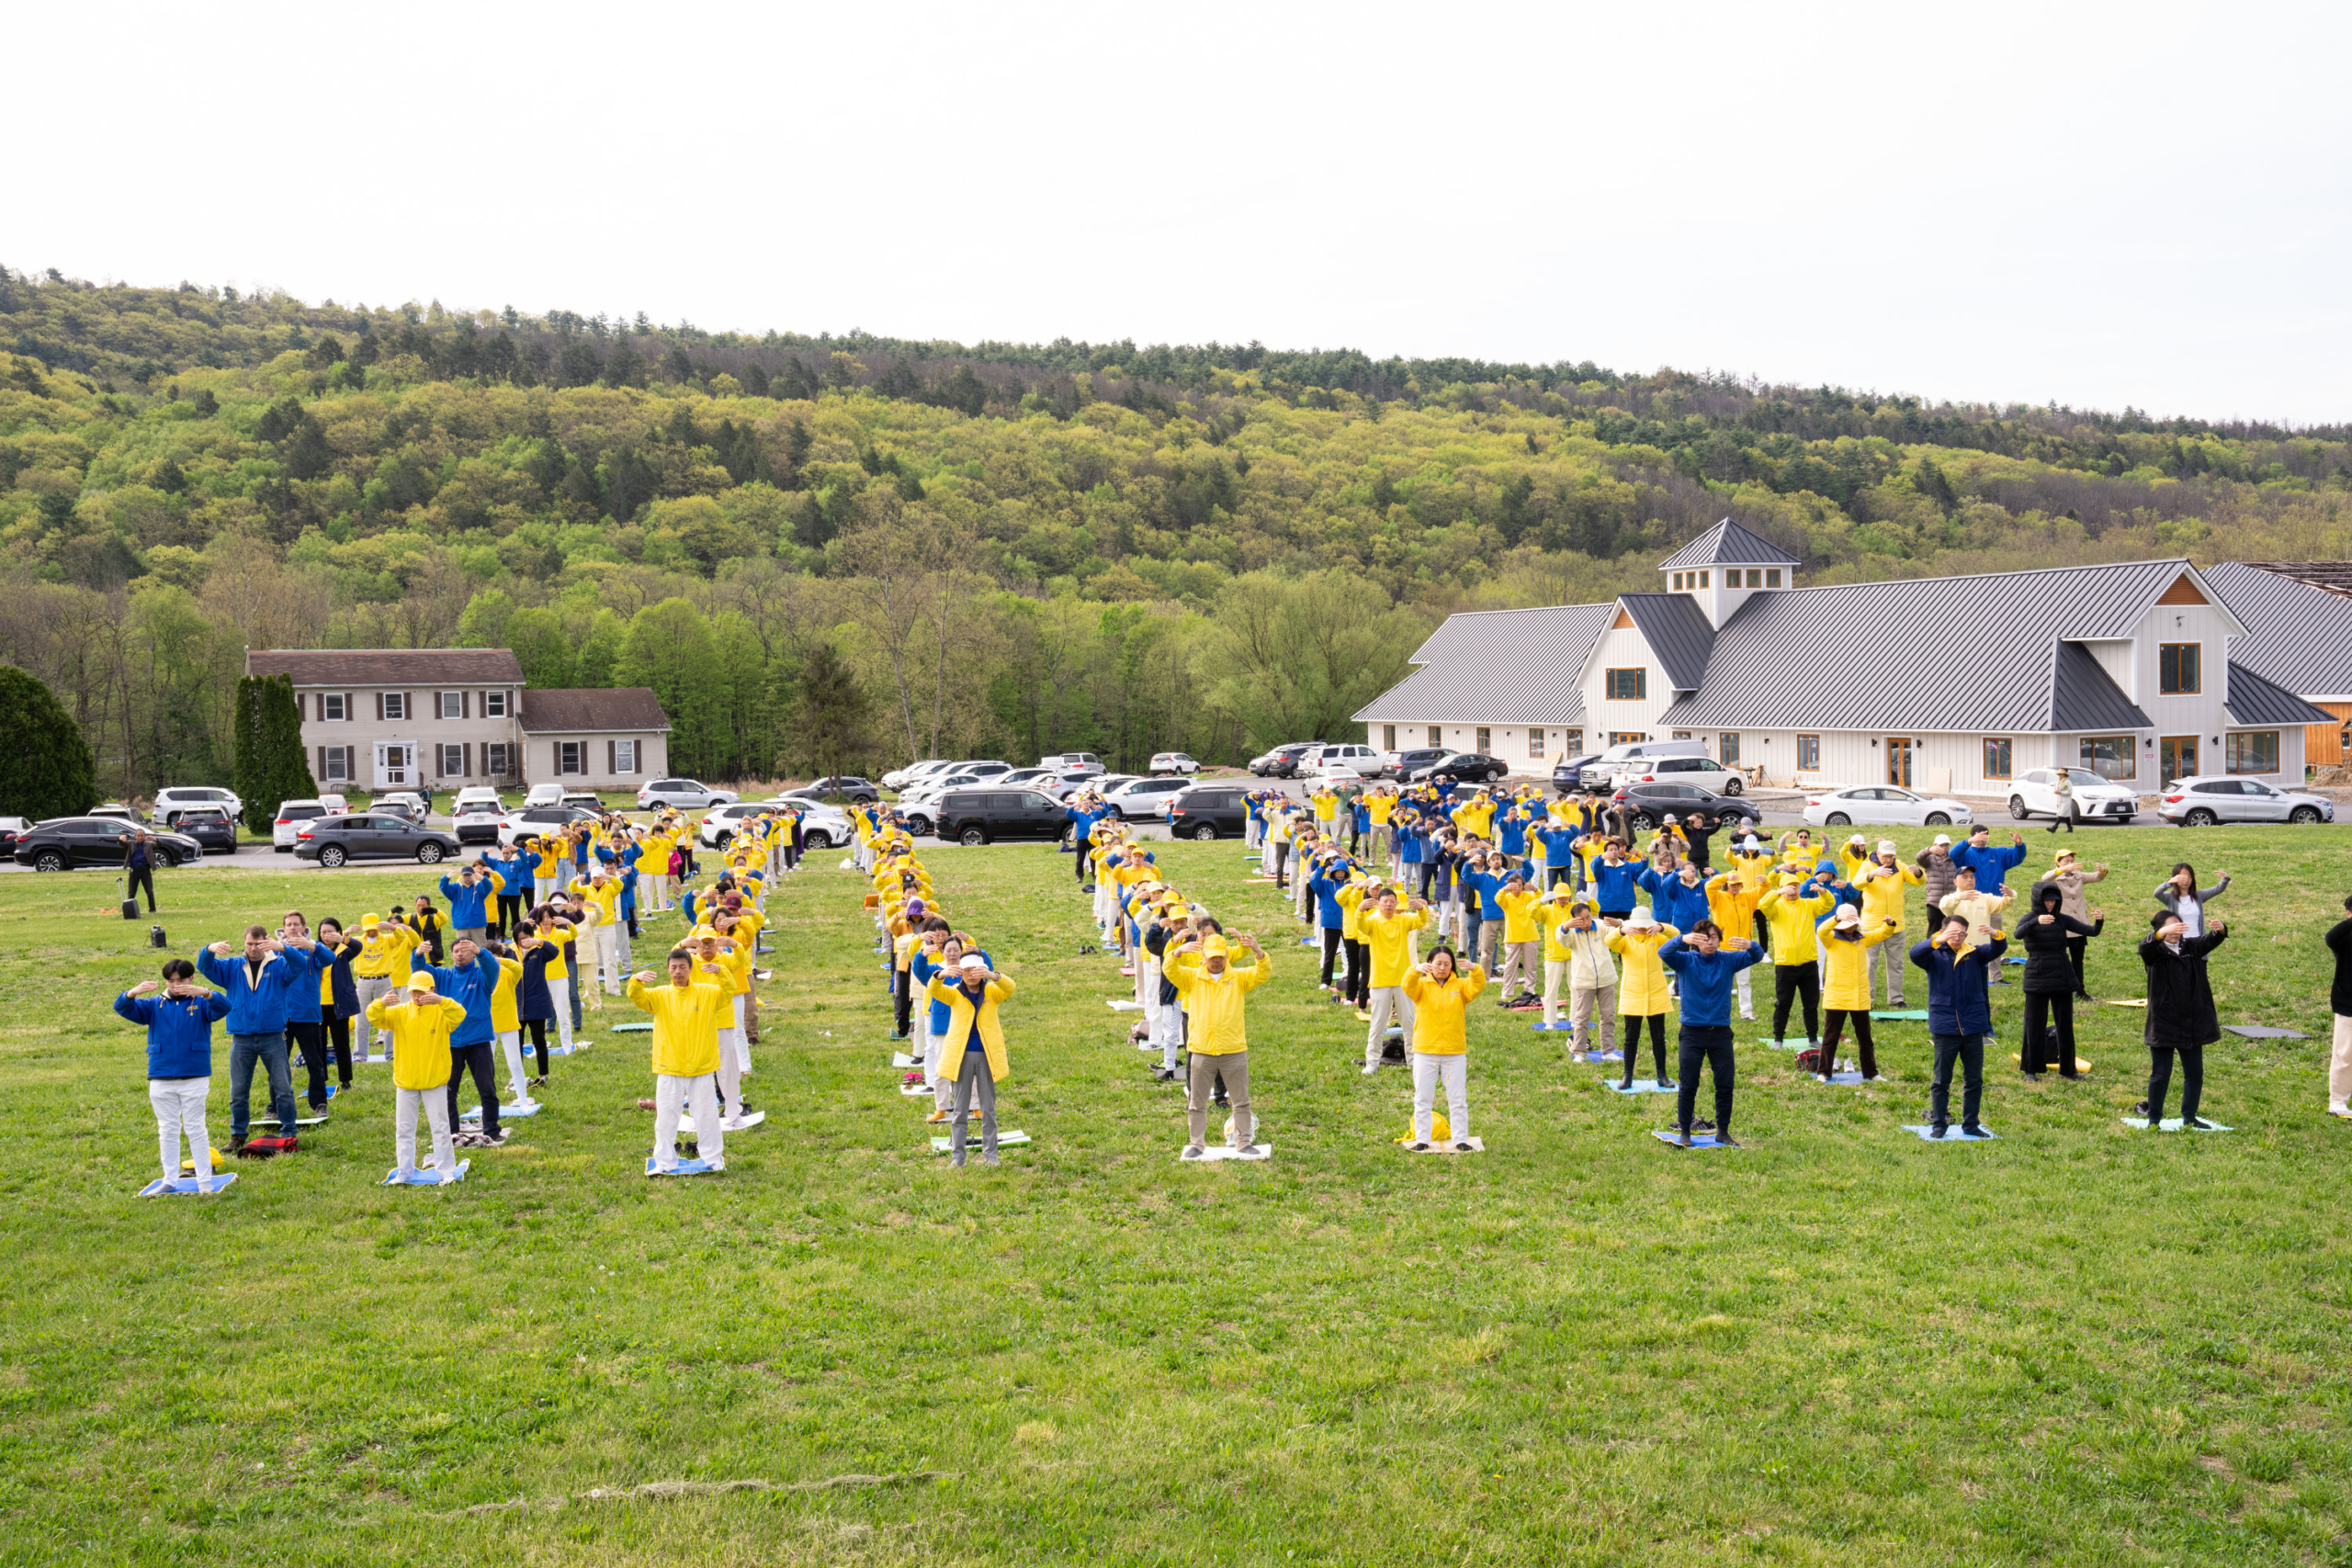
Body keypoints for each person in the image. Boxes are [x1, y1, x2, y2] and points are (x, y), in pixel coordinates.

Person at [195, 925, 328, 1154]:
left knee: (283, 1088)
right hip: (241, 1038)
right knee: (238, 1092)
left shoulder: (278, 965)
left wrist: (283, 948)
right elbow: (204, 967)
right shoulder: (232, 966)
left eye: (258, 944)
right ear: (244, 943)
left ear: (266, 942)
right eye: (249, 944)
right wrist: (208, 949)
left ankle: (289, 1134)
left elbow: (299, 964)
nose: (254, 948)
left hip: (273, 1036)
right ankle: (237, 1135)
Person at [116, 960, 231, 1187]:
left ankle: (204, 1180)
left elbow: (224, 1007)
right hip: (160, 1075)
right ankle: (169, 1180)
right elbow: (124, 1008)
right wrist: (131, 993)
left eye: (181, 980)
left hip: (194, 1075)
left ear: (192, 979)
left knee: (195, 1128)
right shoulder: (153, 1005)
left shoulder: (201, 1003)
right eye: (170, 981)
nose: (176, 985)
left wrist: (206, 993)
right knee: (167, 1129)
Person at [1657, 919, 1766, 1146]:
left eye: (1714, 937)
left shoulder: (1727, 959)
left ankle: (1722, 1132)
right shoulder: (1685, 960)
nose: (1710, 942)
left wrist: (1750, 945)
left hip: (1721, 1032)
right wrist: (1682, 939)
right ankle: (1685, 1132)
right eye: (1704, 938)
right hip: (1691, 1032)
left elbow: (1756, 956)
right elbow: (1663, 952)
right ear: (1696, 941)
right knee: (1688, 1084)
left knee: (1725, 1084)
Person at [1165, 929, 1271, 1158]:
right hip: (1201, 1050)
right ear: (1203, 956)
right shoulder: (1192, 977)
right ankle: (1196, 1144)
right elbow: (1169, 970)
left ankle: (1243, 1142)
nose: (1215, 961)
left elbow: (1262, 974)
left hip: (1233, 1051)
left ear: (1226, 956)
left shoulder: (1239, 978)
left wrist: (1258, 951)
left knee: (1241, 1101)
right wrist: (1177, 951)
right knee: (1197, 1103)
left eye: (1220, 957)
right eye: (1211, 957)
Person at [627, 947, 732, 1172]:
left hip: (701, 1066)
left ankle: (713, 1159)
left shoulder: (707, 992)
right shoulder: (659, 995)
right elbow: (637, 997)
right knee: (665, 1119)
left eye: (682, 967)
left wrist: (721, 972)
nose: (677, 972)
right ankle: (664, 1162)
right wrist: (636, 981)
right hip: (669, 1066)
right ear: (668, 970)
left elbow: (728, 991)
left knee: (707, 1117)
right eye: (673, 968)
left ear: (690, 969)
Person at [1910, 915, 2006, 1137]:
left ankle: (1971, 1124)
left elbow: (1997, 948)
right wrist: (1939, 940)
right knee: (1941, 1080)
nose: (1957, 937)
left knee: (1974, 1081)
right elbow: (1914, 953)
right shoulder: (1932, 955)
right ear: (1943, 933)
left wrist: (1995, 934)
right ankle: (1939, 1125)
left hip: (1973, 1027)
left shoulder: (1975, 954)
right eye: (1952, 933)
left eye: (1961, 934)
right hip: (1944, 1027)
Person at [368, 977, 468, 1180]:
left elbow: (460, 1014)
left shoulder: (442, 1012)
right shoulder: (399, 1012)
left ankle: (446, 1173)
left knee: (440, 1128)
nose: (417, 996)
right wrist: (380, 1003)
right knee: (404, 1129)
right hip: (406, 1081)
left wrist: (441, 1001)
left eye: (422, 991)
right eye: (414, 991)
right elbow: (374, 1018)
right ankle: (404, 1173)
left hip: (434, 1080)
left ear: (433, 989)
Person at [927, 953, 1017, 1168]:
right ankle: (958, 1157)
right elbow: (934, 989)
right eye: (966, 970)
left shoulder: (992, 992)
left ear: (982, 971)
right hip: (960, 1058)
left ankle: (991, 1157)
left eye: (975, 970)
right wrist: (940, 974)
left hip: (987, 1056)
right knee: (959, 1110)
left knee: (989, 1109)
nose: (970, 975)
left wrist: (994, 976)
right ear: (960, 972)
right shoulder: (954, 993)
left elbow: (1010, 987)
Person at [2140, 910, 2227, 1128]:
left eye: (2179, 928)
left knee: (2195, 1074)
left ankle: (2190, 1117)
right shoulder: (2154, 951)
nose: (2176, 933)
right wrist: (2161, 933)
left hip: (2191, 1023)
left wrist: (2221, 929)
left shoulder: (2191, 947)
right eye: (2171, 929)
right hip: (2163, 1023)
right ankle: (2154, 1120)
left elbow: (2212, 939)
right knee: (2160, 1074)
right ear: (2160, 930)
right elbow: (2144, 946)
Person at [419, 938, 506, 1147]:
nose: (460, 954)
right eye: (456, 950)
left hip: (478, 1041)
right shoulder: (443, 976)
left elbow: (493, 967)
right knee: (448, 1091)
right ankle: (451, 1132)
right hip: (450, 1042)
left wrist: (481, 952)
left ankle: (492, 1130)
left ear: (473, 954)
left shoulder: (482, 976)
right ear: (451, 954)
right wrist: (418, 954)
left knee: (487, 1089)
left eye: (465, 951)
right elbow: (420, 972)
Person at [1400, 947, 1487, 1151]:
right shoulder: (1420, 986)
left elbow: (1478, 984)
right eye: (1437, 963)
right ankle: (1422, 1139)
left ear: (1452, 966)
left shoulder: (1461, 985)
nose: (1442, 967)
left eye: (1447, 964)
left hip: (1454, 1051)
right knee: (1422, 1098)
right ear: (1429, 963)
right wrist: (1416, 969)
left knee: (1458, 1099)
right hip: (1425, 1050)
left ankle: (1460, 1140)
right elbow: (1406, 984)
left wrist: (1475, 969)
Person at [2017, 882, 2101, 1079]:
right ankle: (2030, 1069)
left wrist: (2099, 922)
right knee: (2033, 1024)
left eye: (2053, 901)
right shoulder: (2029, 918)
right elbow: (2017, 934)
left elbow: (2091, 931)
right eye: (2046, 900)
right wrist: (2036, 921)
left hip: (2061, 974)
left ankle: (2068, 1069)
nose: (2050, 905)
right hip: (2037, 975)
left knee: (2065, 1024)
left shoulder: (2062, 919)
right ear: (2038, 900)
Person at [1815, 906, 1900, 1081]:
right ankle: (1823, 1072)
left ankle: (1871, 1073)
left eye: (1854, 923)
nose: (1851, 927)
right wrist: (1837, 918)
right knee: (1830, 1037)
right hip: (1837, 995)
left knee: (1865, 1038)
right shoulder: (1830, 939)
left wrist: (1890, 924)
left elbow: (1880, 934)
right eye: (1848, 923)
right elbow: (1821, 929)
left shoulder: (1863, 938)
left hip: (1860, 996)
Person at [1758, 872, 1832, 1050]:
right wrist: (1777, 893)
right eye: (1789, 887)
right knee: (1783, 1003)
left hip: (1809, 963)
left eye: (1796, 886)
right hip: (1785, 964)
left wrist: (1823, 892)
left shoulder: (1808, 905)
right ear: (1782, 889)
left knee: (1811, 1004)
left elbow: (1828, 904)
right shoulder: (1775, 909)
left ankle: (1813, 1037)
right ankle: (1778, 1038)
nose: (1793, 890)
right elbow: (1762, 904)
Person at [1605, 908, 1678, 1089]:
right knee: (1631, 1037)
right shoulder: (1625, 941)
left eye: (1646, 926)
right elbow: (1609, 941)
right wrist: (1621, 930)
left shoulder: (1659, 939)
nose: (1643, 929)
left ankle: (1662, 1075)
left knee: (1658, 1037)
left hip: (1656, 992)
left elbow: (1676, 934)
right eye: (1640, 926)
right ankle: (1627, 1075)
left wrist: (1661, 928)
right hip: (1633, 993)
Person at [1853, 841, 1922, 1006]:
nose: (1888, 860)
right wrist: (1872, 874)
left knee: (1896, 963)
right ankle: (1867, 1000)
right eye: (1885, 856)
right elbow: (1856, 883)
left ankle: (1896, 999)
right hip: (1872, 924)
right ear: (1877, 853)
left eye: (1891, 856)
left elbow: (1918, 881)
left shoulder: (1900, 866)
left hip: (1895, 924)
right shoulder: (1867, 865)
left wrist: (1919, 873)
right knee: (1869, 963)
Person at [2044, 850, 2109, 1000]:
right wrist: (2062, 870)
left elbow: (2098, 877)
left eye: (2072, 861)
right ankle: (2058, 988)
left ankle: (2080, 991)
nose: (2070, 863)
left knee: (2077, 960)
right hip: (2061, 924)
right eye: (2066, 861)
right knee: (2059, 958)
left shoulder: (2079, 876)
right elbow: (2045, 878)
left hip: (2079, 923)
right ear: (2057, 863)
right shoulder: (2054, 877)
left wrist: (2102, 871)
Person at [2326, 896, 2352, 1120]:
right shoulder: (2344, 938)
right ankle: (2338, 1102)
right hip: (2348, 1003)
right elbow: (2330, 937)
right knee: (2344, 1054)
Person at [2154, 863, 2229, 939]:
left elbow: (2217, 889)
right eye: (2182, 878)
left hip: (2198, 941)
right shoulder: (2170, 898)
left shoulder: (2199, 896)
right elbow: (2157, 893)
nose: (2186, 880)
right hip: (2179, 942)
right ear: (2175, 878)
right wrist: (2169, 882)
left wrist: (2225, 879)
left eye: (2189, 877)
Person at [441, 862, 503, 948]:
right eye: (465, 875)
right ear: (461, 875)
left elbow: (489, 887)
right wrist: (445, 878)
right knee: (463, 948)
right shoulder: (455, 888)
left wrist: (483, 879)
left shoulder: (480, 887)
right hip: (461, 923)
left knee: (482, 948)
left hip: (478, 923)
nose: (467, 877)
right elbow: (443, 888)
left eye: (469, 875)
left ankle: (483, 962)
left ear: (473, 875)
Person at [119, 826, 161, 913]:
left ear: (144, 836)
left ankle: (152, 909)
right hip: (134, 870)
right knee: (131, 892)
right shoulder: (131, 844)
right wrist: (122, 838)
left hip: (145, 870)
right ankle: (130, 911)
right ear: (135, 836)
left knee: (149, 891)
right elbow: (122, 843)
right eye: (138, 835)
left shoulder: (149, 844)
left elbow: (160, 845)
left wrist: (154, 838)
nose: (140, 837)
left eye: (142, 835)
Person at [2045, 768, 2076, 833]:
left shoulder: (2068, 782)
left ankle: (2054, 827)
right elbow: (2056, 790)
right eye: (2059, 774)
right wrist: (2057, 801)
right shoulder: (2057, 782)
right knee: (2066, 815)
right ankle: (2070, 828)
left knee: (2062, 813)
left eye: (2061, 774)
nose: (2059, 775)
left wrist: (2060, 792)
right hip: (2060, 799)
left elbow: (2069, 792)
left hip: (2066, 799)